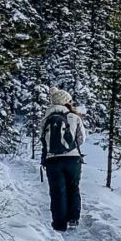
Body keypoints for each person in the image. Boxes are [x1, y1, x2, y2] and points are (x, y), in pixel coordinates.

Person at [41, 87, 86, 232]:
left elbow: (44, 140)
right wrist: (70, 147)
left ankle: (59, 224)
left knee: (57, 191)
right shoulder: (74, 117)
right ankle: (73, 219)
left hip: (53, 160)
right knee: (73, 188)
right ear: (66, 102)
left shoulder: (47, 118)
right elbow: (81, 139)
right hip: (73, 159)